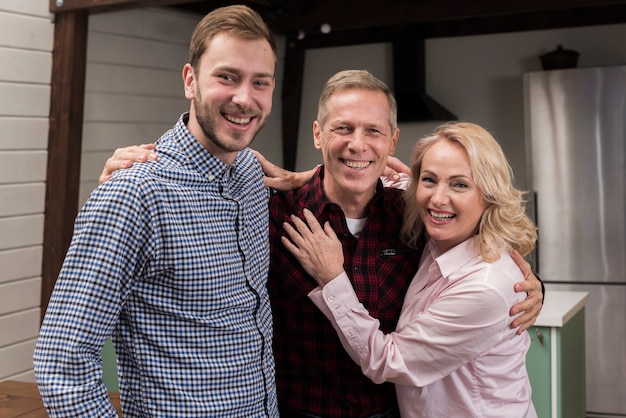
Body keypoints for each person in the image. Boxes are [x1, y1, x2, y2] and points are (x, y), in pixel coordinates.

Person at [100, 70, 544, 417]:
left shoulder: (411, 217)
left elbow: (465, 219)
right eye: (342, 129)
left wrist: (525, 278)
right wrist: (134, 177)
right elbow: (193, 211)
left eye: (373, 131)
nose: (357, 144)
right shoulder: (270, 212)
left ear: (391, 140)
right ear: (318, 135)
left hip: (389, 411)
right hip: (296, 412)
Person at [33, 5, 278, 417]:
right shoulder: (134, 194)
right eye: (227, 77)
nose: (244, 98)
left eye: (261, 83)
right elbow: (62, 362)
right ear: (190, 80)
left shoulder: (252, 175)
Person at [282, 121, 539, 417]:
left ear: (489, 195)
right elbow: (392, 179)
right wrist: (309, 176)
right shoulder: (441, 235)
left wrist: (332, 277)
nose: (438, 198)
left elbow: (387, 360)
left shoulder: (485, 286)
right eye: (430, 180)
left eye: (460, 184)